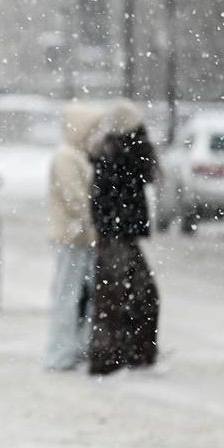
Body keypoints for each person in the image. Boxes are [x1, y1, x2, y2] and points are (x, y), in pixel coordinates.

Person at [87, 99, 161, 376]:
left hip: (118, 235)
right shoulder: (122, 155)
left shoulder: (117, 154)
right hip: (118, 236)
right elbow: (109, 199)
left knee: (125, 297)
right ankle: (116, 357)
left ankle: (122, 355)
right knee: (119, 298)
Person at [45, 102, 103, 372]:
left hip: (81, 236)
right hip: (73, 237)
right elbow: (75, 198)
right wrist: (92, 221)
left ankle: (76, 348)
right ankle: (61, 353)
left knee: (81, 295)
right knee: (68, 296)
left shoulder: (76, 155)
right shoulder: (67, 157)